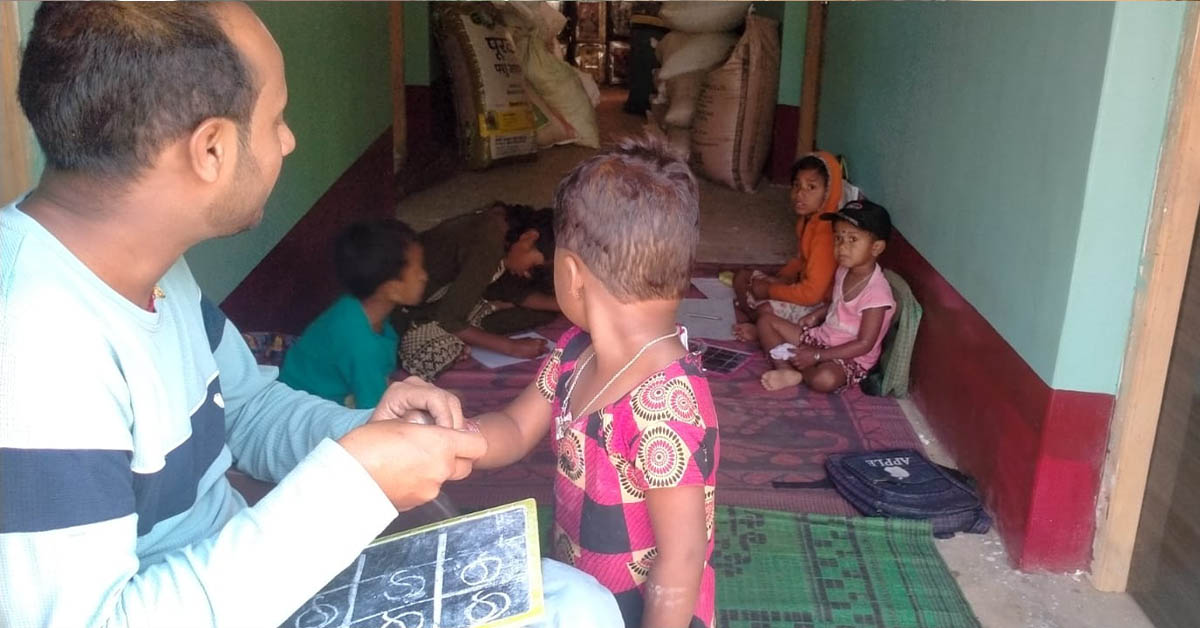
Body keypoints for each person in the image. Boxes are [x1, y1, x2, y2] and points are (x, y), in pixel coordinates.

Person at [0, 4, 620, 627]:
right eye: (275, 119)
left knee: (568, 601)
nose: (289, 140)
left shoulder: (146, 266)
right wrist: (353, 486)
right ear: (211, 149)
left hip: (238, 580)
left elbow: (245, 410)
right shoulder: (33, 347)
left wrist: (362, 434)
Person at [466, 136, 721, 628]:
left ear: (570, 274)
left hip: (641, 611)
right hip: (580, 591)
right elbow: (515, 429)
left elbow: (681, 562)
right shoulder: (573, 354)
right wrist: (454, 439)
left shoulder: (667, 407)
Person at [392, 202, 560, 381]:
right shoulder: (488, 243)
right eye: (534, 267)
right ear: (529, 238)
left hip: (445, 302)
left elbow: (511, 290)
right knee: (435, 354)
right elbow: (448, 319)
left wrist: (564, 305)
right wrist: (511, 347)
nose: (528, 274)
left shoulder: (502, 230)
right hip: (408, 310)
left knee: (542, 313)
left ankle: (470, 330)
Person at [280, 219, 431, 409]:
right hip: (305, 409)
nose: (424, 276)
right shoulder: (362, 346)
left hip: (315, 385)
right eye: (418, 271)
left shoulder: (357, 308)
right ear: (391, 288)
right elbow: (375, 414)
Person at [757, 200, 897, 393]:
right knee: (765, 321)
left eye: (852, 240)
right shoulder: (844, 270)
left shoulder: (877, 294)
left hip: (848, 357)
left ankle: (795, 364)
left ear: (876, 248)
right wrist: (817, 315)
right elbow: (836, 302)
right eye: (838, 238)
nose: (842, 247)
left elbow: (864, 344)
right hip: (822, 339)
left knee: (825, 379)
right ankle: (787, 371)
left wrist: (816, 356)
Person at [733, 151, 859, 343]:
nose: (800, 194)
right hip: (802, 288)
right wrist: (781, 278)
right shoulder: (807, 221)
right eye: (796, 185)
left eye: (811, 187)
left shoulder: (827, 233)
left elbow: (812, 294)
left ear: (828, 193)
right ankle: (759, 320)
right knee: (742, 276)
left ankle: (761, 328)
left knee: (763, 308)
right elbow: (801, 260)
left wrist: (769, 290)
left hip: (820, 306)